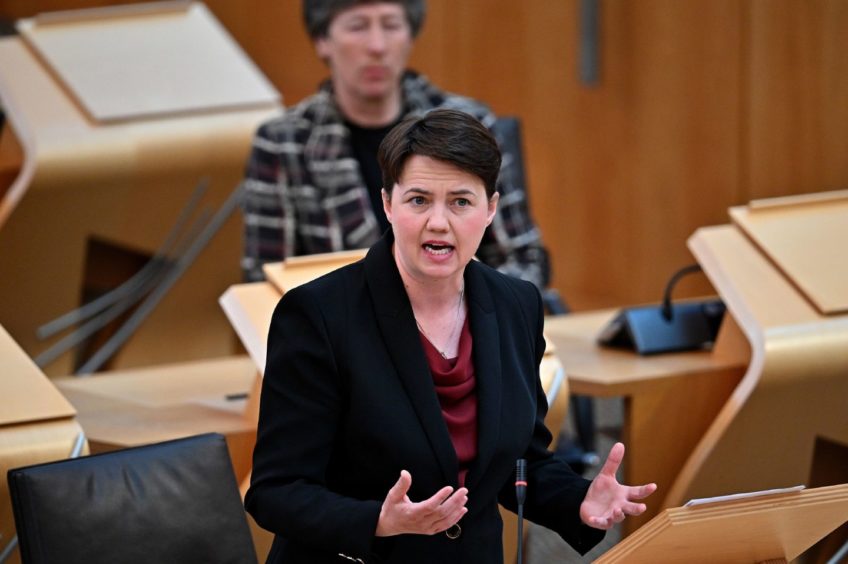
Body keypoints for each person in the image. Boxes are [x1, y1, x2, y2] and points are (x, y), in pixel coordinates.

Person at [245, 109, 656, 563]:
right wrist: (376, 522)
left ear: (491, 210)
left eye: (461, 201)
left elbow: (520, 462)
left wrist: (579, 500)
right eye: (419, 200)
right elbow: (276, 491)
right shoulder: (318, 315)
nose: (438, 222)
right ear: (387, 204)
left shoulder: (515, 305)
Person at [239, 0, 549, 290]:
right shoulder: (284, 142)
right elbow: (265, 283)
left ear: (410, 36)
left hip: (466, 329)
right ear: (323, 40)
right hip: (341, 339)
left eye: (391, 25)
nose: (377, 46)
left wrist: (468, 319)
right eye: (358, 26)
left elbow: (523, 260)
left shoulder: (470, 123)